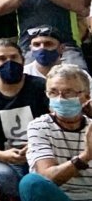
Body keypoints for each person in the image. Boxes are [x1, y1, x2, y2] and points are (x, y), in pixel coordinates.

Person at [0, 39, 48, 200]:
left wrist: (35, 145)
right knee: (3, 175)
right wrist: (4, 155)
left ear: (23, 59)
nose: (9, 62)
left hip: (41, 150)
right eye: (2, 59)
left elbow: (54, 122)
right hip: (3, 156)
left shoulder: (40, 86)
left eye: (14, 57)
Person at [19, 64, 92, 200]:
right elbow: (48, 178)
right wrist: (86, 156)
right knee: (30, 183)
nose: (60, 99)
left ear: (86, 97)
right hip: (58, 197)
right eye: (53, 92)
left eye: (68, 92)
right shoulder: (39, 127)